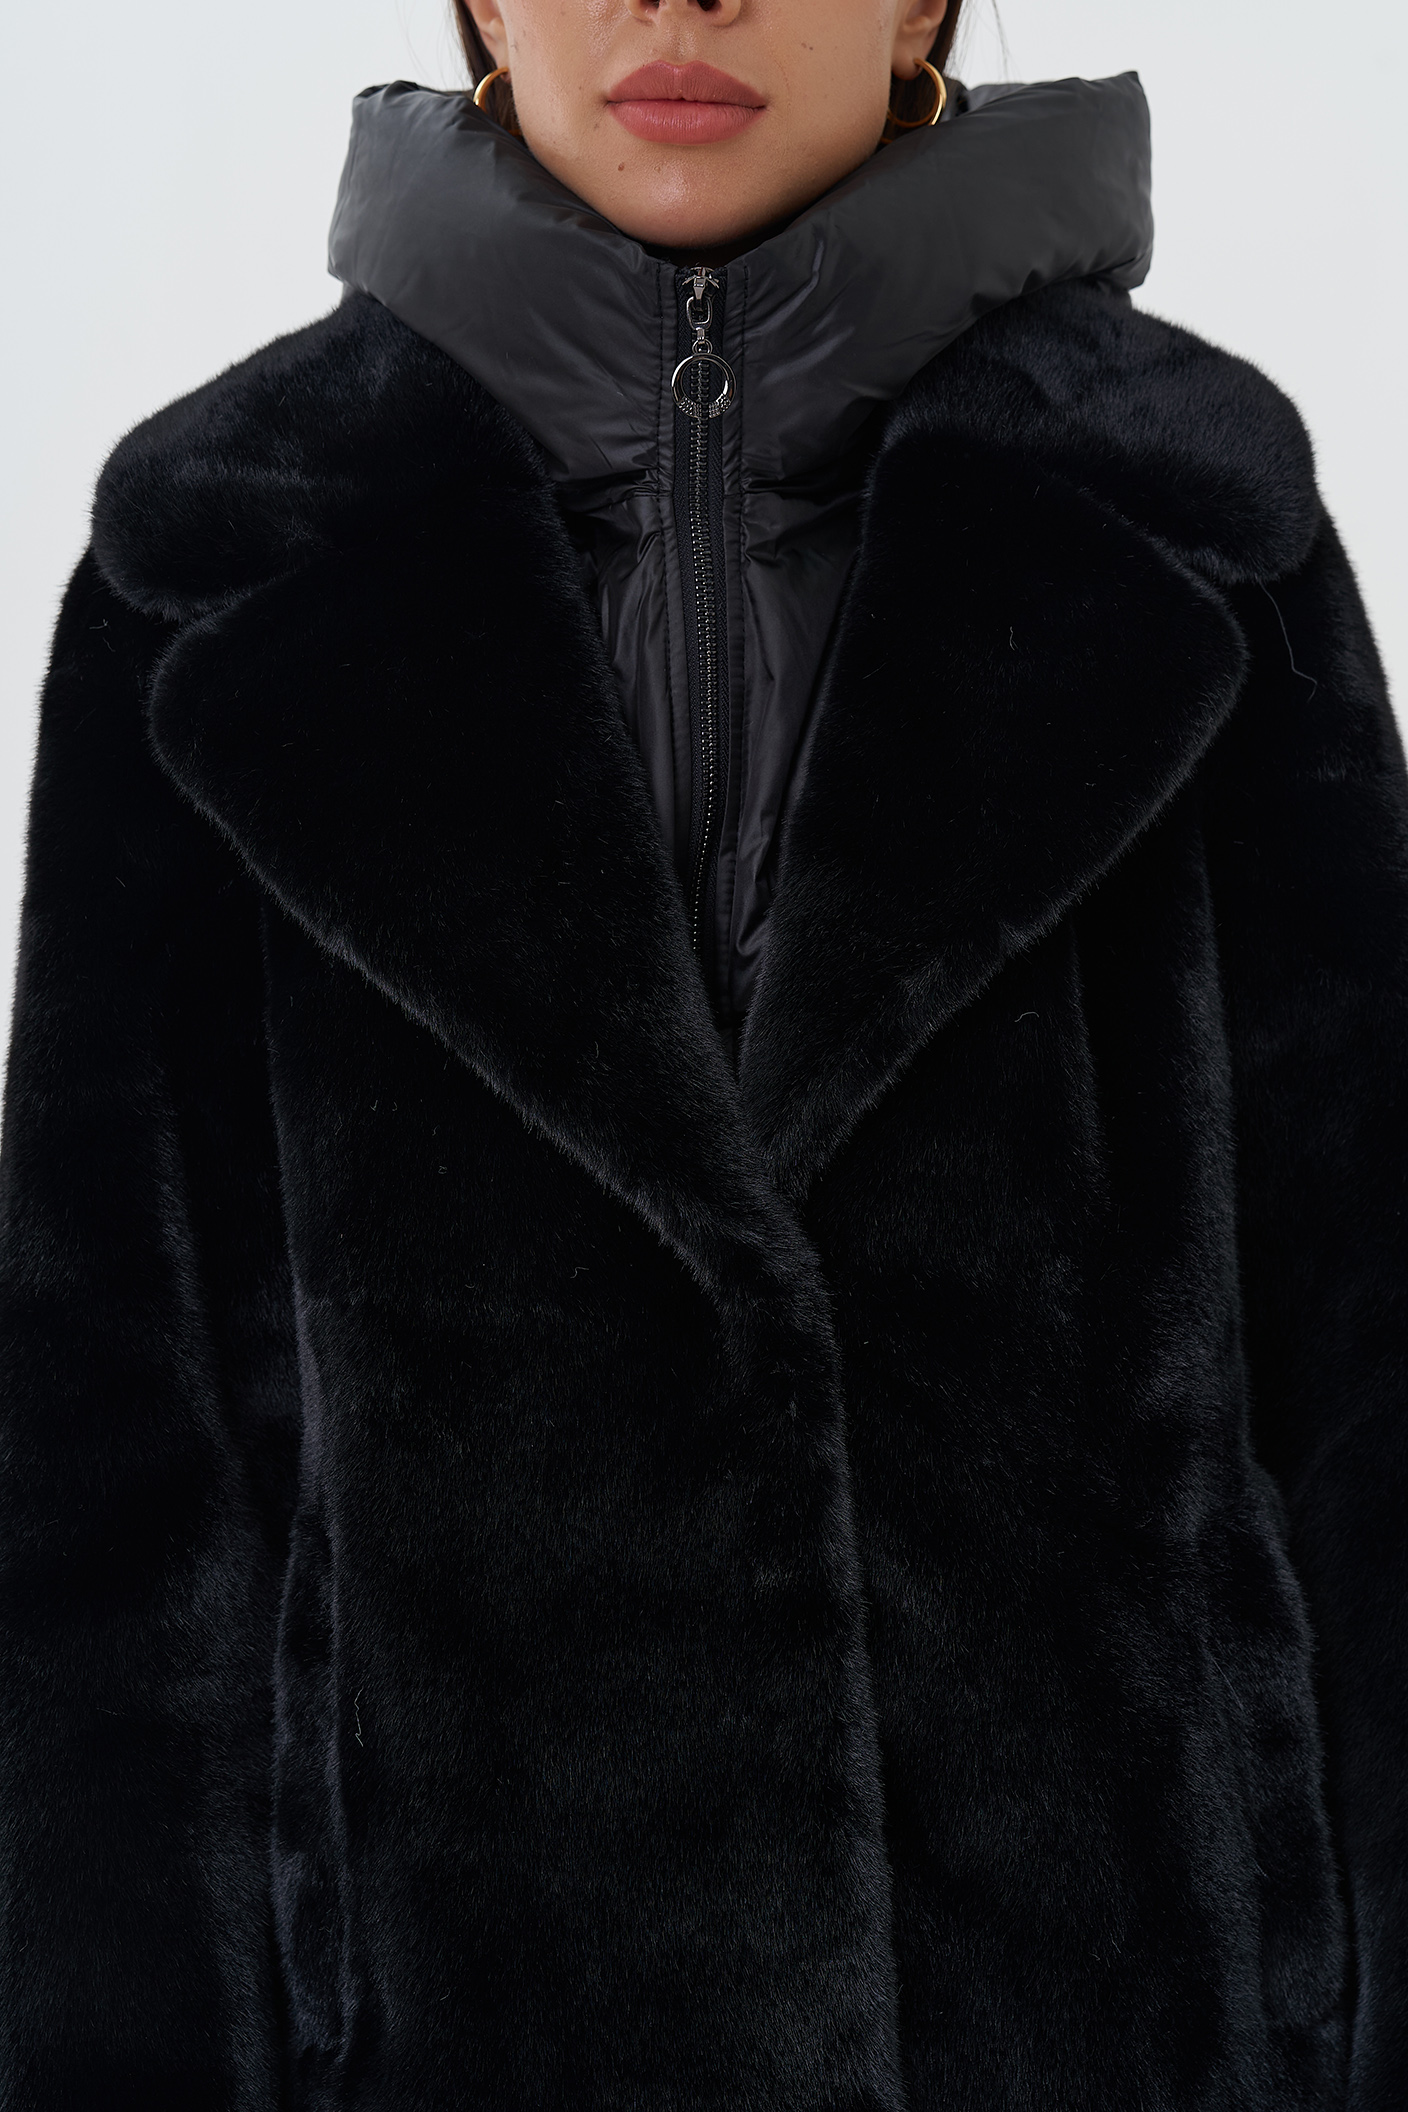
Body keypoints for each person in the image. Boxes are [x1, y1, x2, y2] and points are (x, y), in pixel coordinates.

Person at [0, 0, 1402, 2104]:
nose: (683, 0)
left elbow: (1369, 1361)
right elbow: (111, 1468)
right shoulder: (218, 562)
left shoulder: (1184, 519)